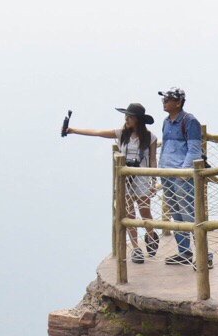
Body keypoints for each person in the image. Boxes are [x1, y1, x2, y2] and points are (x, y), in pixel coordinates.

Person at [66, 103, 159, 263]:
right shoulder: (122, 134)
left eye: (130, 116)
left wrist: (153, 181)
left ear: (138, 119)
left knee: (145, 212)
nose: (126, 119)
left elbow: (152, 159)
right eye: (126, 116)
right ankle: (136, 248)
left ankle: (151, 236)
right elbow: (97, 133)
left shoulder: (150, 137)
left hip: (142, 177)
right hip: (126, 179)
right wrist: (73, 130)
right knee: (129, 213)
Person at [157, 88, 206, 265]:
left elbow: (194, 150)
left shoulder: (190, 121)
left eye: (168, 99)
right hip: (166, 174)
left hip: (181, 177)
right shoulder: (166, 122)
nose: (165, 102)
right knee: (176, 215)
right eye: (164, 99)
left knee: (190, 215)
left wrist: (183, 174)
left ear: (178, 102)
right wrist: (159, 170)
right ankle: (184, 253)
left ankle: (204, 256)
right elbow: (165, 149)